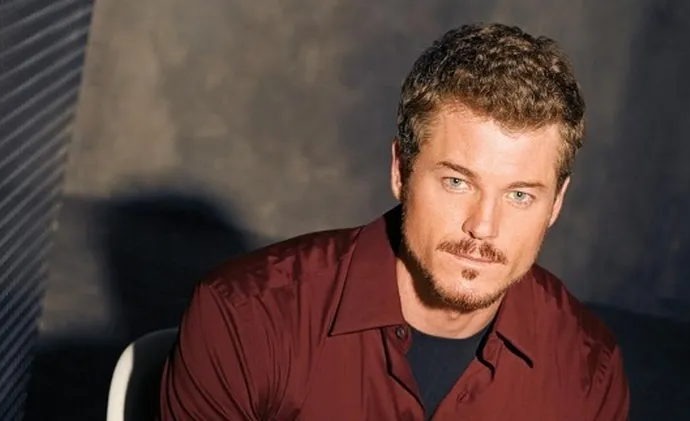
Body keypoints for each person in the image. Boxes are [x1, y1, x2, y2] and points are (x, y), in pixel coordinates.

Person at [159, 22, 629, 420]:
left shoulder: (588, 369)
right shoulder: (247, 319)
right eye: (457, 182)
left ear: (556, 204)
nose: (483, 226)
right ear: (401, 171)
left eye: (520, 195)